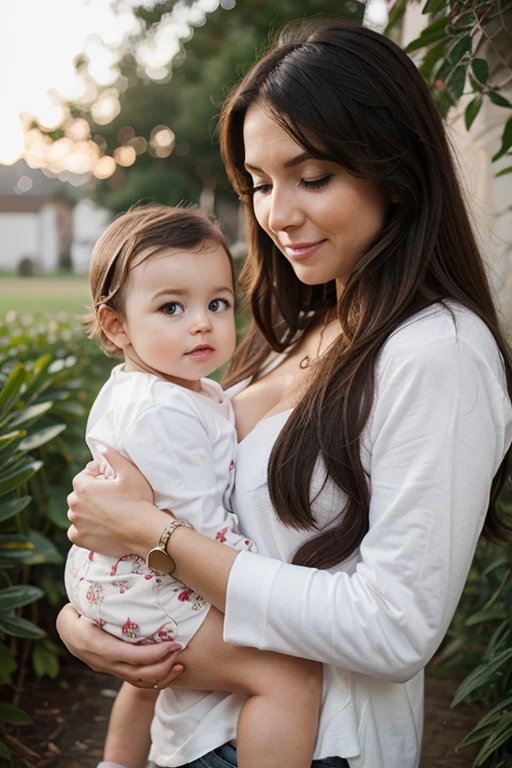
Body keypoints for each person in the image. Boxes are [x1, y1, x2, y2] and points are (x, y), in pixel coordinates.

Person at [57, 19, 512, 768]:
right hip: (194, 725)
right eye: (261, 184)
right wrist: (85, 625)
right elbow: (164, 490)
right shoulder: (302, 325)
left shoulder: (439, 356)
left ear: (393, 167)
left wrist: (155, 539)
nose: (278, 215)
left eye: (313, 178)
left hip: (314, 741)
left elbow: (395, 628)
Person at [64, 204, 322, 768]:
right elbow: (195, 529)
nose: (201, 322)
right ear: (116, 325)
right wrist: (262, 577)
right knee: (289, 677)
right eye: (172, 307)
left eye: (217, 303)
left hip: (119, 575)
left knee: (152, 676)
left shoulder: (179, 388)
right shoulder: (162, 410)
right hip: (144, 579)